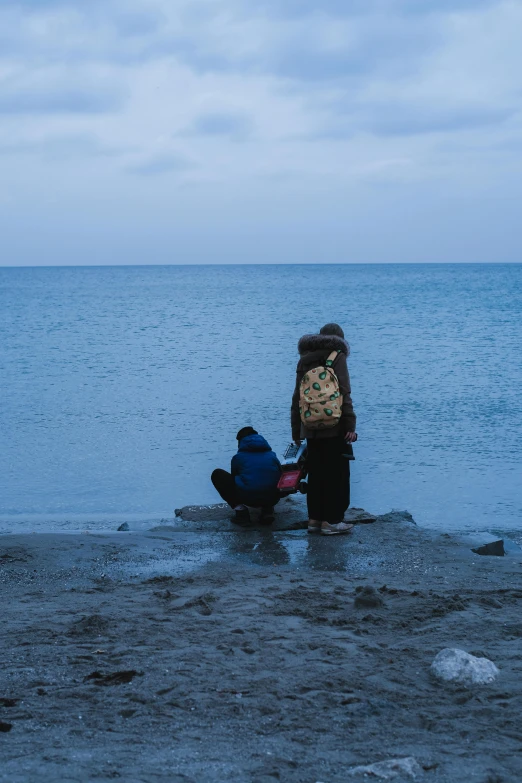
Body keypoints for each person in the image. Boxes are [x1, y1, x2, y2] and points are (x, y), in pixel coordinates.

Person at [291, 323, 357, 536]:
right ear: (340, 340)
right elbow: (344, 393)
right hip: (335, 426)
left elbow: (296, 398)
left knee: (317, 473)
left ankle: (314, 520)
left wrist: (296, 431)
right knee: (337, 474)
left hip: (310, 428)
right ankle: (332, 521)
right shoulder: (337, 357)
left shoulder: (304, 360)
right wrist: (350, 425)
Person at [211, 427, 281, 524]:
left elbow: (235, 478)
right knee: (272, 477)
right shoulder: (272, 455)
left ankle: (241, 512)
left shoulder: (238, 458)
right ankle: (267, 511)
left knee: (217, 474)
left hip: (248, 498)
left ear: (241, 442)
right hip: (272, 498)